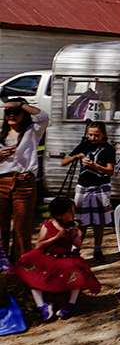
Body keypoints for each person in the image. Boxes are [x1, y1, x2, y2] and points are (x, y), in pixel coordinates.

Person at [13, 196, 101, 322]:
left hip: (65, 257)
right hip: (47, 257)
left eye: (73, 211)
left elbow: (78, 245)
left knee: (77, 276)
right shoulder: (47, 226)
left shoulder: (72, 225)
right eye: (70, 212)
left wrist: (75, 234)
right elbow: (39, 245)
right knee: (33, 278)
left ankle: (71, 304)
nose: (73, 214)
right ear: (59, 215)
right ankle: (42, 306)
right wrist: (56, 237)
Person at [0, 98, 49, 258]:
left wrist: (21, 105)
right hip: (2, 183)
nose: (12, 115)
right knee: (1, 228)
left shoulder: (32, 132)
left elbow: (43, 116)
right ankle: (3, 264)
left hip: (24, 183)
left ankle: (21, 264)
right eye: (8, 112)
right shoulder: (1, 135)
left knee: (22, 227)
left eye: (16, 112)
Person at [63, 120, 115, 262]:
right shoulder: (84, 145)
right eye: (90, 135)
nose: (92, 138)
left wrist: (95, 166)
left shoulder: (108, 149)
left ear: (103, 134)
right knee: (81, 220)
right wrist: (76, 156)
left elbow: (110, 171)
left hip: (101, 186)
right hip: (83, 186)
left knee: (99, 221)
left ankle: (97, 250)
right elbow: (64, 162)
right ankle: (76, 249)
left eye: (96, 135)